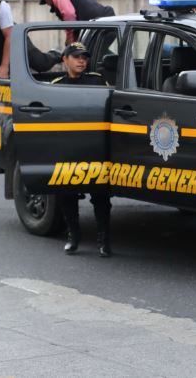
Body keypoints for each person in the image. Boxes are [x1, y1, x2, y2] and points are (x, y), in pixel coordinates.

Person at [51, 41, 112, 257]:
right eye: (76, 57)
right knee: (66, 194)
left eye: (84, 57)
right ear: (65, 59)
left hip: (94, 145)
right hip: (70, 147)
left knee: (101, 196)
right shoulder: (57, 84)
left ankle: (104, 240)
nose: (81, 61)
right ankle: (73, 236)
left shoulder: (96, 81)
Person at [38, 0, 115, 44]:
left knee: (88, 54)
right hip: (104, 23)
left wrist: (70, 37)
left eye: (45, 0)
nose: (47, 4)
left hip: (103, 24)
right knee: (95, 53)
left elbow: (69, 14)